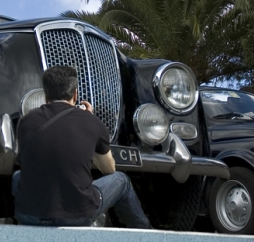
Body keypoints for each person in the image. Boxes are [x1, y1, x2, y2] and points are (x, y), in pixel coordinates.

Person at [13, 65, 151, 228]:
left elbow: (25, 163)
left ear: (46, 95)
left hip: (29, 215)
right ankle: (145, 232)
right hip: (76, 216)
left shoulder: (26, 121)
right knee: (121, 180)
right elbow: (109, 169)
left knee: (17, 176)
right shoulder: (92, 123)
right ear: (75, 94)